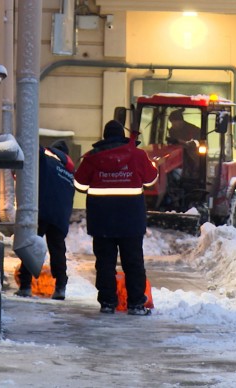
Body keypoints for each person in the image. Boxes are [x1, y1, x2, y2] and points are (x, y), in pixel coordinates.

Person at [74, 120, 159, 315]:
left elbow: (79, 185)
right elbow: (151, 179)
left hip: (102, 219)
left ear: (104, 136)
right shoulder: (137, 155)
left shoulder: (91, 158)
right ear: (122, 135)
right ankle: (136, 304)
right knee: (133, 262)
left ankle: (107, 303)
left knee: (105, 262)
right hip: (131, 219)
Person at [15, 140, 75, 300]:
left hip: (42, 209)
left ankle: (25, 286)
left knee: (31, 245)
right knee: (58, 250)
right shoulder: (69, 172)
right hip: (60, 216)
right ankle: (61, 287)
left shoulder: (46, 159)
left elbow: (34, 147)